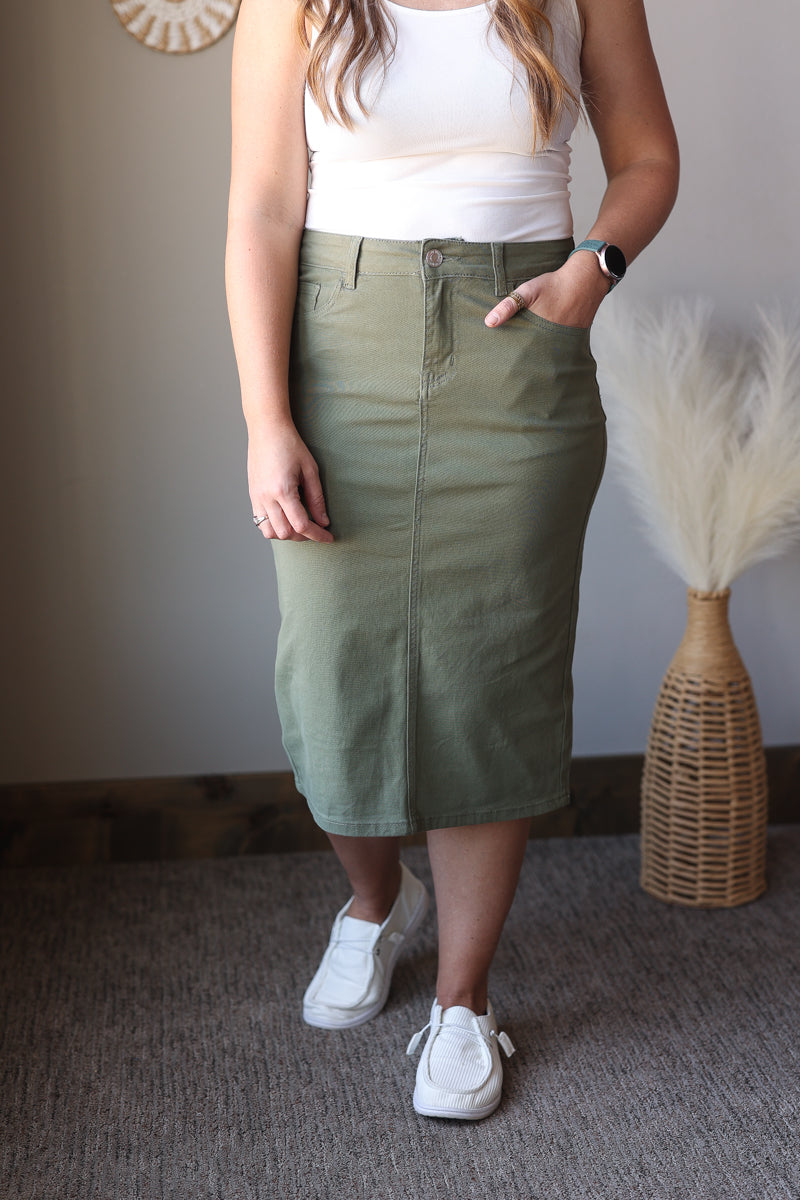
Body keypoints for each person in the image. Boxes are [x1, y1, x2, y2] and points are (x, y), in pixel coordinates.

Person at [226, 0, 678, 1120]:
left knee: (491, 667)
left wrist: (592, 267)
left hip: (518, 334)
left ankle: (465, 1000)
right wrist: (264, 421)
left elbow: (647, 159)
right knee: (334, 668)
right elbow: (264, 205)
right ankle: (377, 905)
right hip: (339, 337)